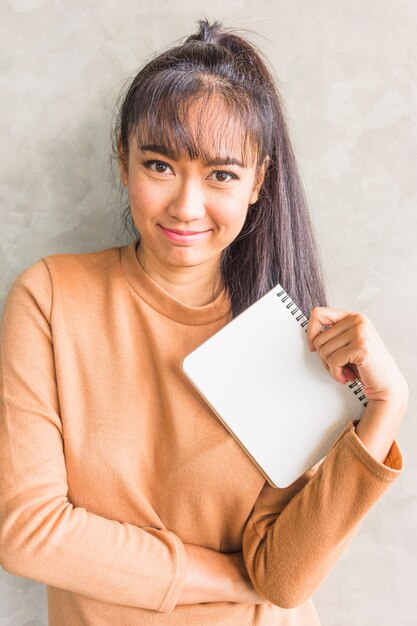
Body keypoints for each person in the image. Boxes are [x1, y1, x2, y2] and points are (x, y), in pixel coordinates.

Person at [0, 17, 408, 626]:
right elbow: (28, 531)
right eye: (160, 165)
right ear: (123, 160)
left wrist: (384, 410)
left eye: (221, 174)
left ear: (258, 183)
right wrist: (228, 575)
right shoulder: (52, 298)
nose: (187, 206)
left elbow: (286, 578)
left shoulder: (294, 338)